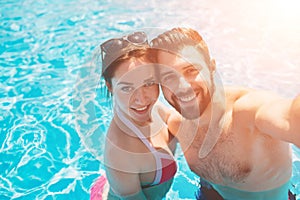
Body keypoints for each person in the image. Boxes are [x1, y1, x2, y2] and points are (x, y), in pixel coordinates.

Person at [151, 27, 299, 200]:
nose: (182, 86)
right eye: (169, 78)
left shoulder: (248, 113)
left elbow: (290, 117)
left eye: (191, 71)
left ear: (211, 67)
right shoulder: (176, 124)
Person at [90, 31, 178, 200]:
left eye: (149, 83)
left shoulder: (152, 108)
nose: (141, 99)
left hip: (114, 183)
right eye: (127, 88)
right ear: (110, 87)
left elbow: (185, 125)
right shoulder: (121, 154)